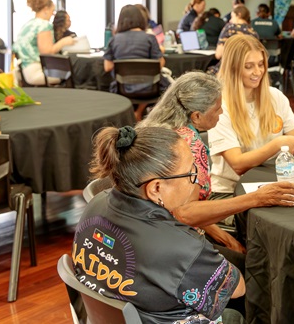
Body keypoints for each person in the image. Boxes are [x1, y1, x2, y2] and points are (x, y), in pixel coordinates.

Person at [74, 125, 245, 324]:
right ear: (156, 188)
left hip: (106, 317)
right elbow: (237, 288)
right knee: (235, 315)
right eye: (190, 173)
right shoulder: (181, 247)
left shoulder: (95, 205)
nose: (196, 179)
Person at [140, 72, 294, 262]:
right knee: (253, 265)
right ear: (196, 116)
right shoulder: (188, 146)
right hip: (168, 244)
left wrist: (224, 238)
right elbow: (185, 213)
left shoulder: (157, 130)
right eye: (217, 109)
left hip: (145, 232)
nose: (222, 112)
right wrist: (256, 198)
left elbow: (181, 207)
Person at [208, 35, 294, 193]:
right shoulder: (220, 106)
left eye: (261, 64)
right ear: (233, 68)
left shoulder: (275, 96)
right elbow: (238, 164)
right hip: (230, 192)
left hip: (270, 184)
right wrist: (278, 144)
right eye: (248, 66)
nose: (258, 72)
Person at [104, 4, 166, 119]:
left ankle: (132, 112)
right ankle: (139, 112)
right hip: (150, 88)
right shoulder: (150, 38)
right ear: (141, 19)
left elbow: (107, 67)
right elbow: (160, 64)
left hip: (123, 88)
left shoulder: (114, 40)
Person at [12, 0, 76, 85]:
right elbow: (47, 52)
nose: (53, 14)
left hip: (23, 71)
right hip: (37, 72)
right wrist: (64, 42)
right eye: (52, 11)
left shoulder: (28, 25)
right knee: (73, 73)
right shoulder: (43, 25)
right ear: (46, 9)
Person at [209, 4, 259, 75]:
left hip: (228, 70)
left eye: (232, 17)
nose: (230, 20)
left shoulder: (229, 28)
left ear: (239, 15)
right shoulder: (253, 32)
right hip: (247, 70)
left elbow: (218, 54)